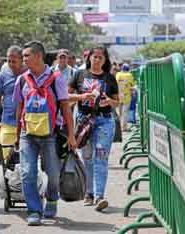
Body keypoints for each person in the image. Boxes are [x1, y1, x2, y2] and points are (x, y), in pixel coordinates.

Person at [13, 41, 77, 226]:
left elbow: (65, 108)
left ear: (39, 56)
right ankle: (34, 210)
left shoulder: (57, 79)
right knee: (27, 172)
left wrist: (71, 135)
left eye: (27, 56)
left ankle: (51, 198)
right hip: (28, 133)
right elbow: (19, 108)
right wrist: (17, 135)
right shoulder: (22, 80)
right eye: (23, 56)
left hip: (51, 134)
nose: (23, 59)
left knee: (54, 173)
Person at [68, 45, 119, 211]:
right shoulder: (79, 75)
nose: (97, 60)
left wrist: (108, 101)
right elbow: (66, 97)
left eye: (100, 57)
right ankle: (88, 193)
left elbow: (117, 101)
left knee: (101, 158)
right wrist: (82, 96)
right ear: (89, 57)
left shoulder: (109, 78)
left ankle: (99, 196)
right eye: (94, 56)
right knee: (87, 158)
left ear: (105, 61)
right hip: (84, 121)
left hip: (104, 121)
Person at [0, 45, 25, 159]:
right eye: (9, 61)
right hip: (7, 124)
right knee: (6, 160)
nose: (11, 64)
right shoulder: (2, 77)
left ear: (22, 60)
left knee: (25, 161)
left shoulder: (29, 75)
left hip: (26, 126)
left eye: (14, 61)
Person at [116, 63, 135, 131]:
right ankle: (123, 127)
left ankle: (118, 127)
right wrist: (133, 92)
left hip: (118, 96)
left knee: (119, 112)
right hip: (126, 96)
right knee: (125, 113)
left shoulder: (118, 74)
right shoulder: (129, 75)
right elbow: (132, 86)